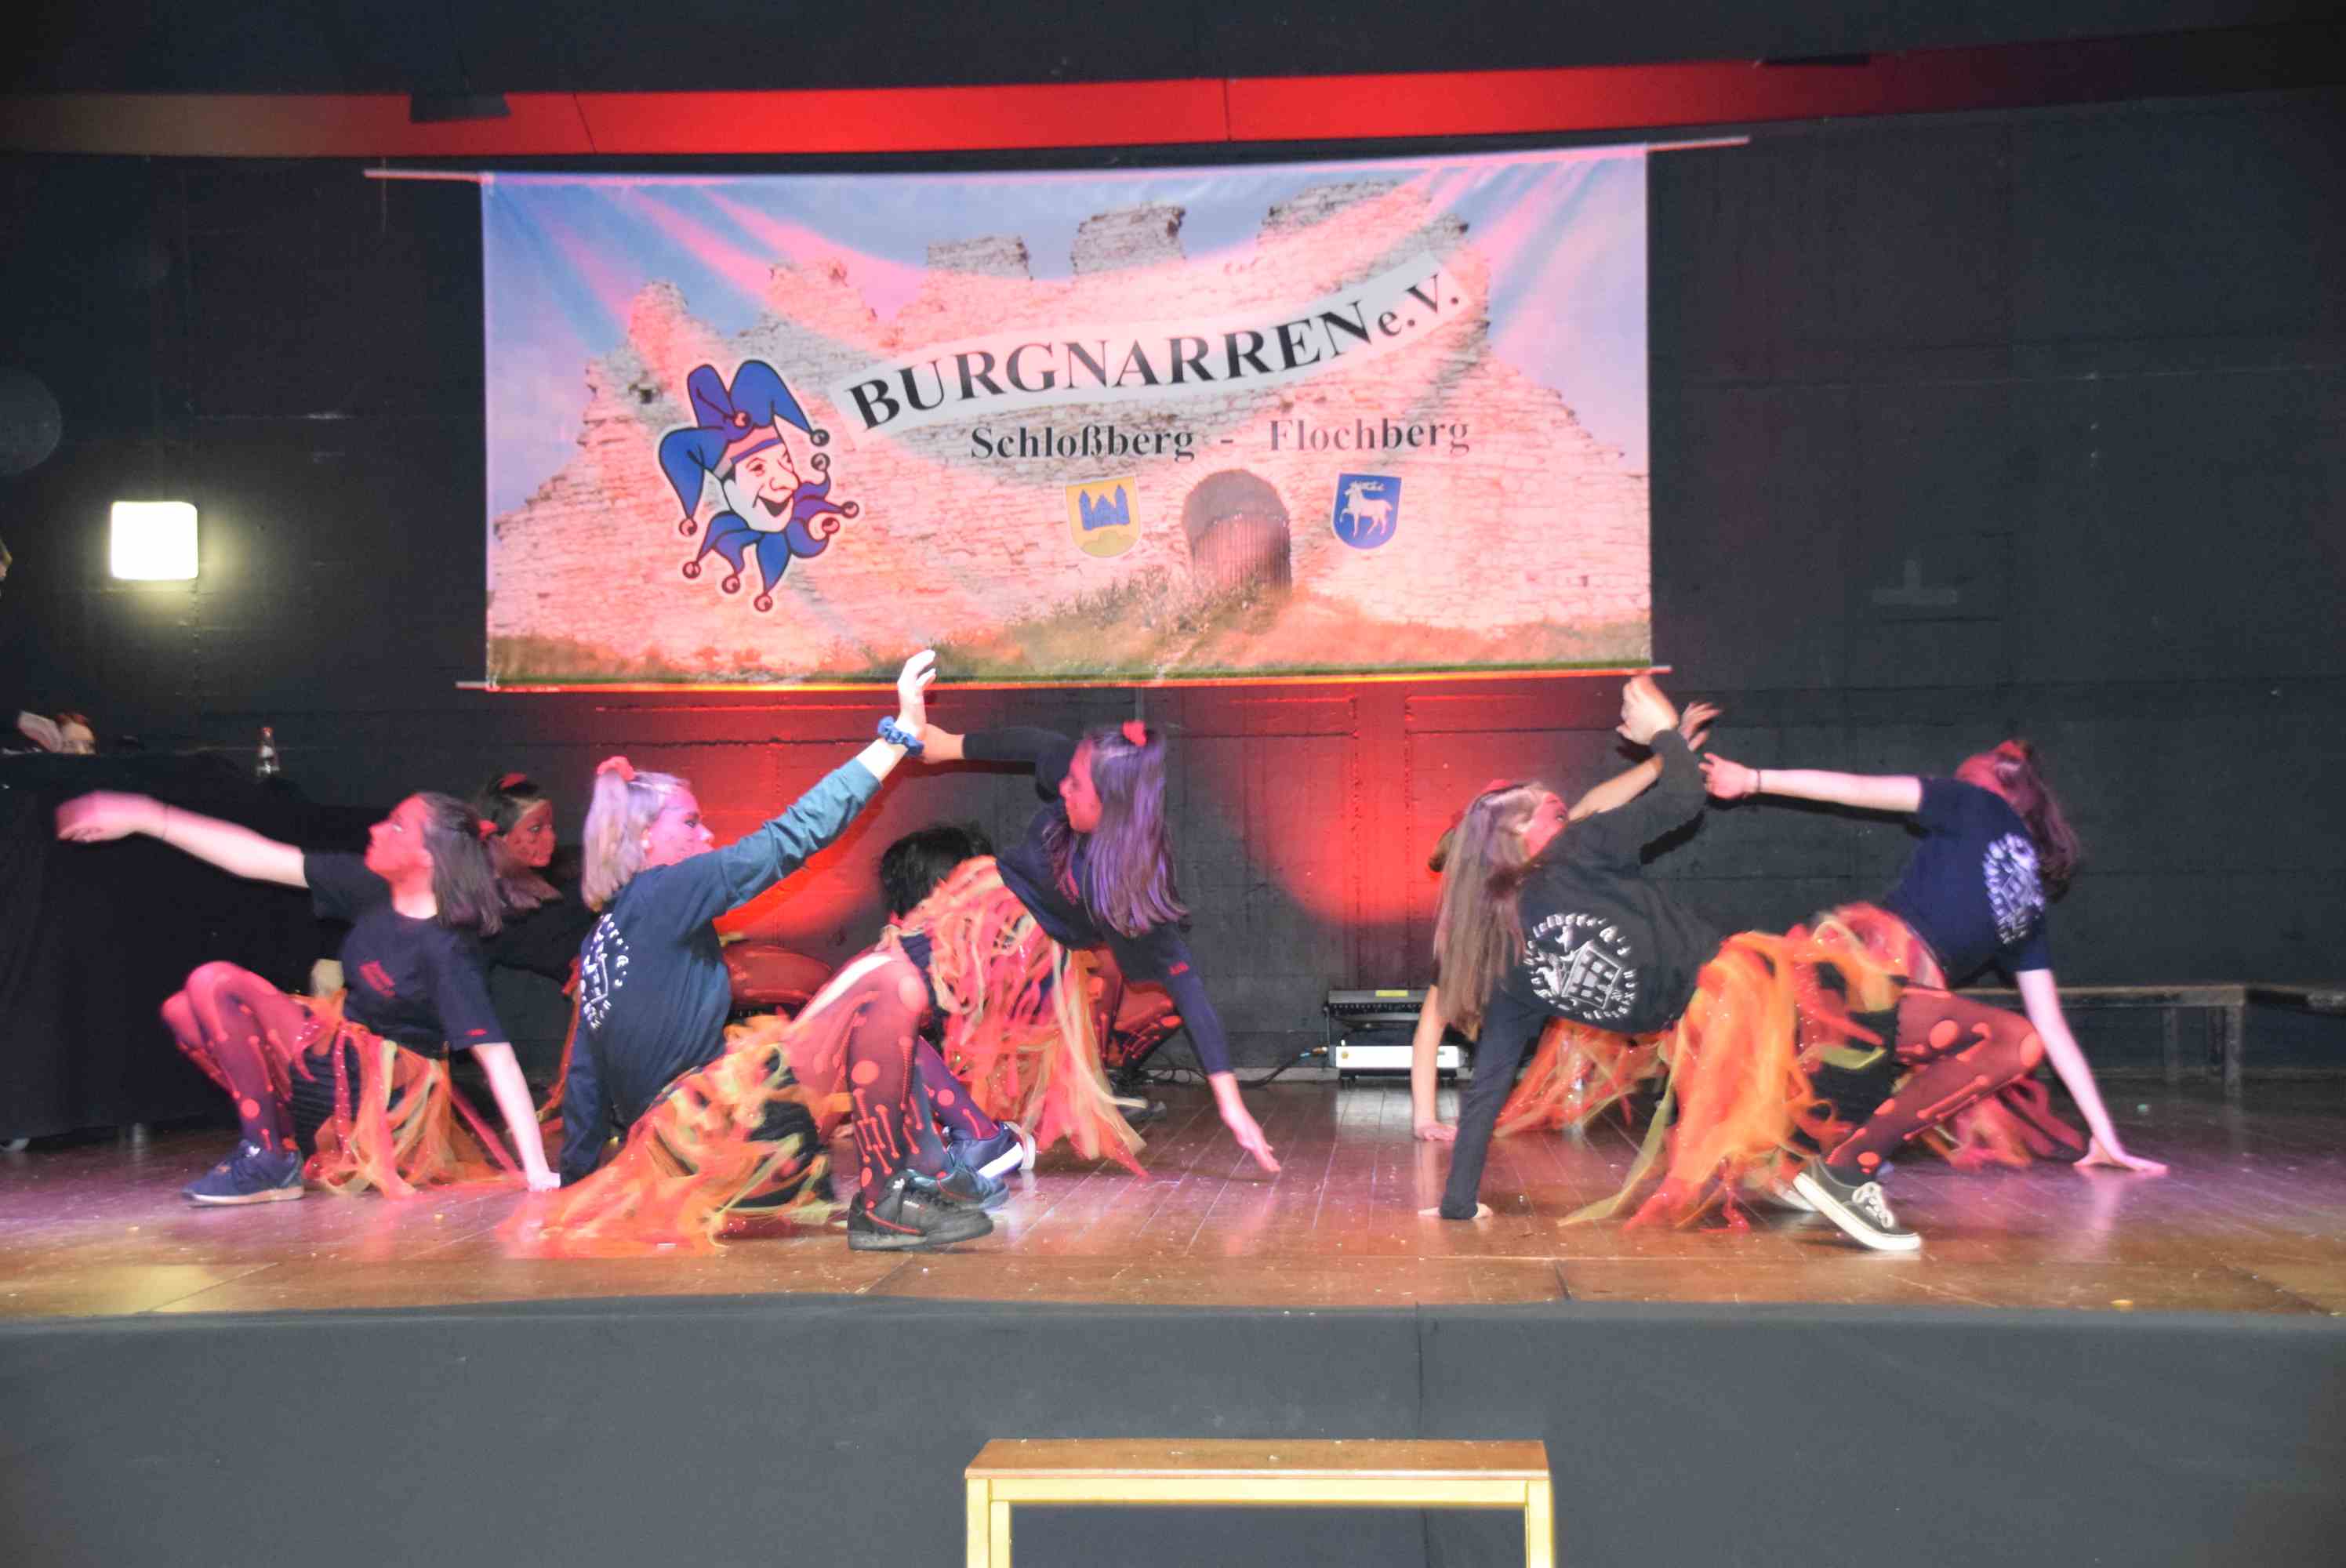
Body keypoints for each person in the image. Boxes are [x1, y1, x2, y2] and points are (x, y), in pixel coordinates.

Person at [1427, 676, 2061, 1252]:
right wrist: (1663, 734)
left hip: (1726, 1039)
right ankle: (1845, 1171)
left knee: (1993, 1045)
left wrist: (1458, 1203)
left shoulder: (1511, 968)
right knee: (2011, 1040)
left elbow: (1488, 1087)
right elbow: (1683, 799)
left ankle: (1833, 1167)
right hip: (1770, 997)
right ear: (1519, 837)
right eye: (1557, 812)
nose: (1573, 815)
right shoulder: (1576, 852)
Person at [535, 651, 951, 1249]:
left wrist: (580, 1190)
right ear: (644, 837)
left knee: (863, 1024)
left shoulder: (604, 935)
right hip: (719, 1144)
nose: (706, 834)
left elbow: (585, 1084)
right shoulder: (667, 890)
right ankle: (888, 1196)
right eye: (690, 822)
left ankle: (937, 1167)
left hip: (680, 1169)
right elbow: (792, 836)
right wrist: (897, 738)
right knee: (883, 977)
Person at [1697, 741, 2166, 1206]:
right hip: (1868, 975)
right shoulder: (2001, 855)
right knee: (1837, 1069)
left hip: (1896, 990)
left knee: (2011, 1043)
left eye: (1980, 768)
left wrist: (2105, 1136)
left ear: (2010, 786)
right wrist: (1754, 780)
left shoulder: (1991, 832)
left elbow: (1860, 789)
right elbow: (1861, 790)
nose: (1967, 775)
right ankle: (1818, 1158)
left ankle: (1833, 1161)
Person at [53, 788, 558, 1202]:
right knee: (182, 1010)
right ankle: (278, 1146)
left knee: (215, 981)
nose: (376, 829)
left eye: (396, 826)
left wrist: (536, 1169)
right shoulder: (370, 888)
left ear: (428, 856)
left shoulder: (447, 949)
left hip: (381, 1095)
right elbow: (254, 857)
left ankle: (268, 1158)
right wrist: (148, 816)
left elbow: (496, 1057)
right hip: (335, 1064)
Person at [1408, 702, 1719, 1145]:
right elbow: (1430, 1027)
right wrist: (1424, 1118)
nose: (1558, 818)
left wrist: (1664, 756)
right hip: (1577, 996)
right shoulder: (1479, 933)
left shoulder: (1560, 854)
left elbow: (1592, 807)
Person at [470, 771, 597, 1095]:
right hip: (528, 1061)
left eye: (551, 827)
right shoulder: (488, 908)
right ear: (496, 837)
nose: (550, 838)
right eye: (536, 829)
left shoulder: (546, 885)